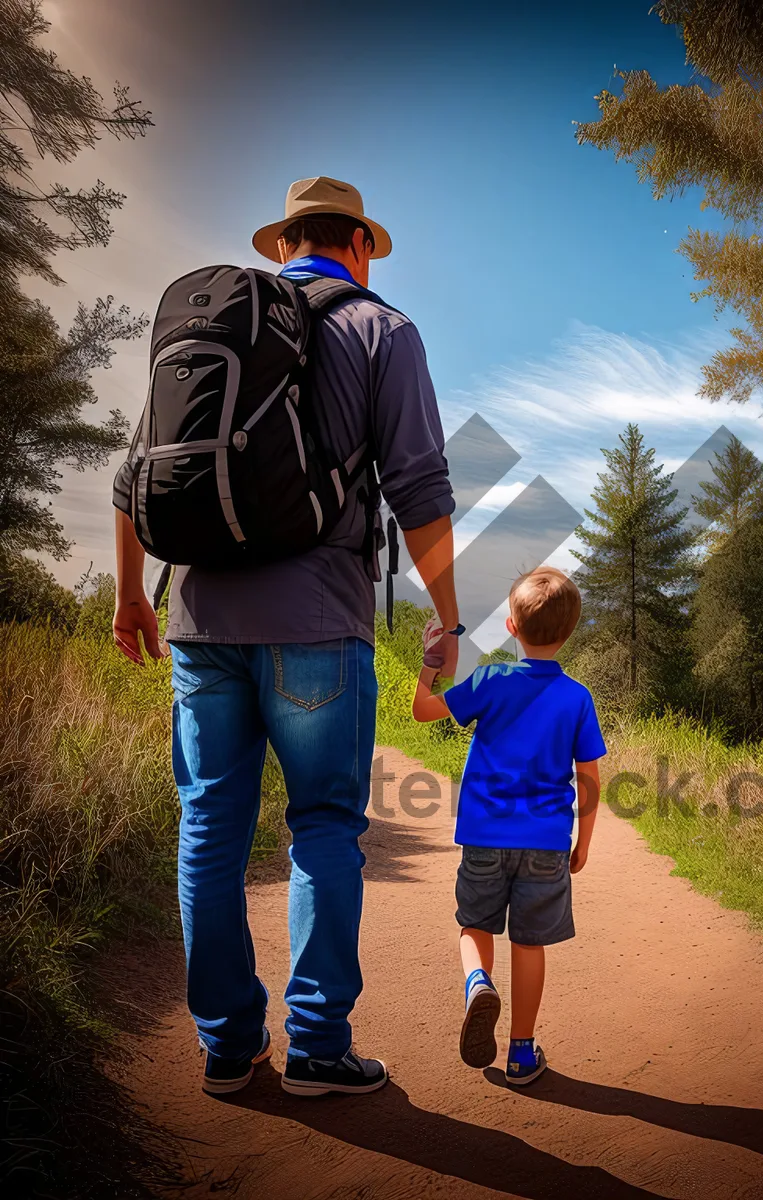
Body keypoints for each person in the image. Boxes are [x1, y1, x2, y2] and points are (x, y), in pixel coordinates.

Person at [112, 176, 461, 1098]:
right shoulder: (382, 330)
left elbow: (132, 478)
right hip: (316, 620)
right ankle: (316, 1047)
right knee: (323, 831)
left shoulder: (210, 331)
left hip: (200, 624)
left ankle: (227, 1046)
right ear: (356, 244)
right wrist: (451, 618)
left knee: (210, 832)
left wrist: (129, 599)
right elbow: (419, 488)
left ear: (282, 246)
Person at [411, 567, 605, 1085]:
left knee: (475, 926)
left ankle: (478, 984)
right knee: (530, 943)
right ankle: (521, 1052)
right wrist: (582, 842)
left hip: (483, 837)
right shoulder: (576, 698)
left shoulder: (491, 681)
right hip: (544, 843)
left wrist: (430, 667)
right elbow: (588, 780)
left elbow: (422, 712)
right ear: (569, 631)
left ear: (512, 627)